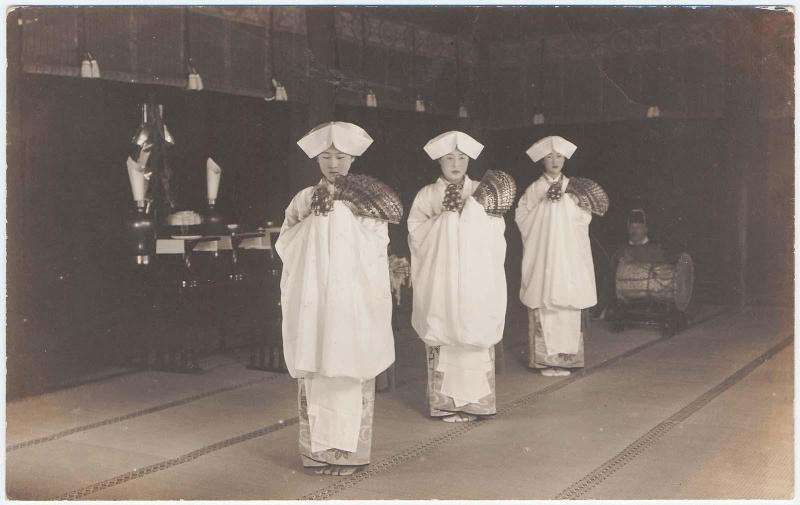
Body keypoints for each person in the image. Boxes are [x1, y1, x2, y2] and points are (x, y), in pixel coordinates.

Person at [275, 122, 396, 476]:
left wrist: (341, 220)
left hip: (351, 298)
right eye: (326, 156)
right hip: (314, 297)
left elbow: (376, 246)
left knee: (348, 369)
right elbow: (287, 239)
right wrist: (315, 225)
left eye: (340, 156)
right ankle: (318, 453)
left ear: (352, 158)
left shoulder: (368, 199)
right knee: (317, 372)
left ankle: (349, 454)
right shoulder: (303, 198)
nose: (333, 163)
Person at [407, 131, 508, 423]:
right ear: (439, 160)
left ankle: (476, 402)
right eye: (449, 158)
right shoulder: (427, 195)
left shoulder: (482, 190)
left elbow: (496, 231)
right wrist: (447, 220)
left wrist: (471, 214)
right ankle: (447, 404)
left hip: (476, 276)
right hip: (441, 277)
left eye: (461, 158)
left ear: (469, 160)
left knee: (473, 329)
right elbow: (416, 232)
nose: (455, 164)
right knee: (444, 328)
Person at [515, 136, 608, 377]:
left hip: (568, 256)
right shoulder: (535, 189)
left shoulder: (574, 188)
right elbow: (522, 218)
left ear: (565, 158)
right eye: (549, 156)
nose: (555, 161)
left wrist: (569, 203)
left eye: (559, 156)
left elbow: (585, 218)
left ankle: (567, 360)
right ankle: (546, 361)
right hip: (544, 257)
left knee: (568, 307)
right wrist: (546, 205)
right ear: (542, 160)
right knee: (546, 305)